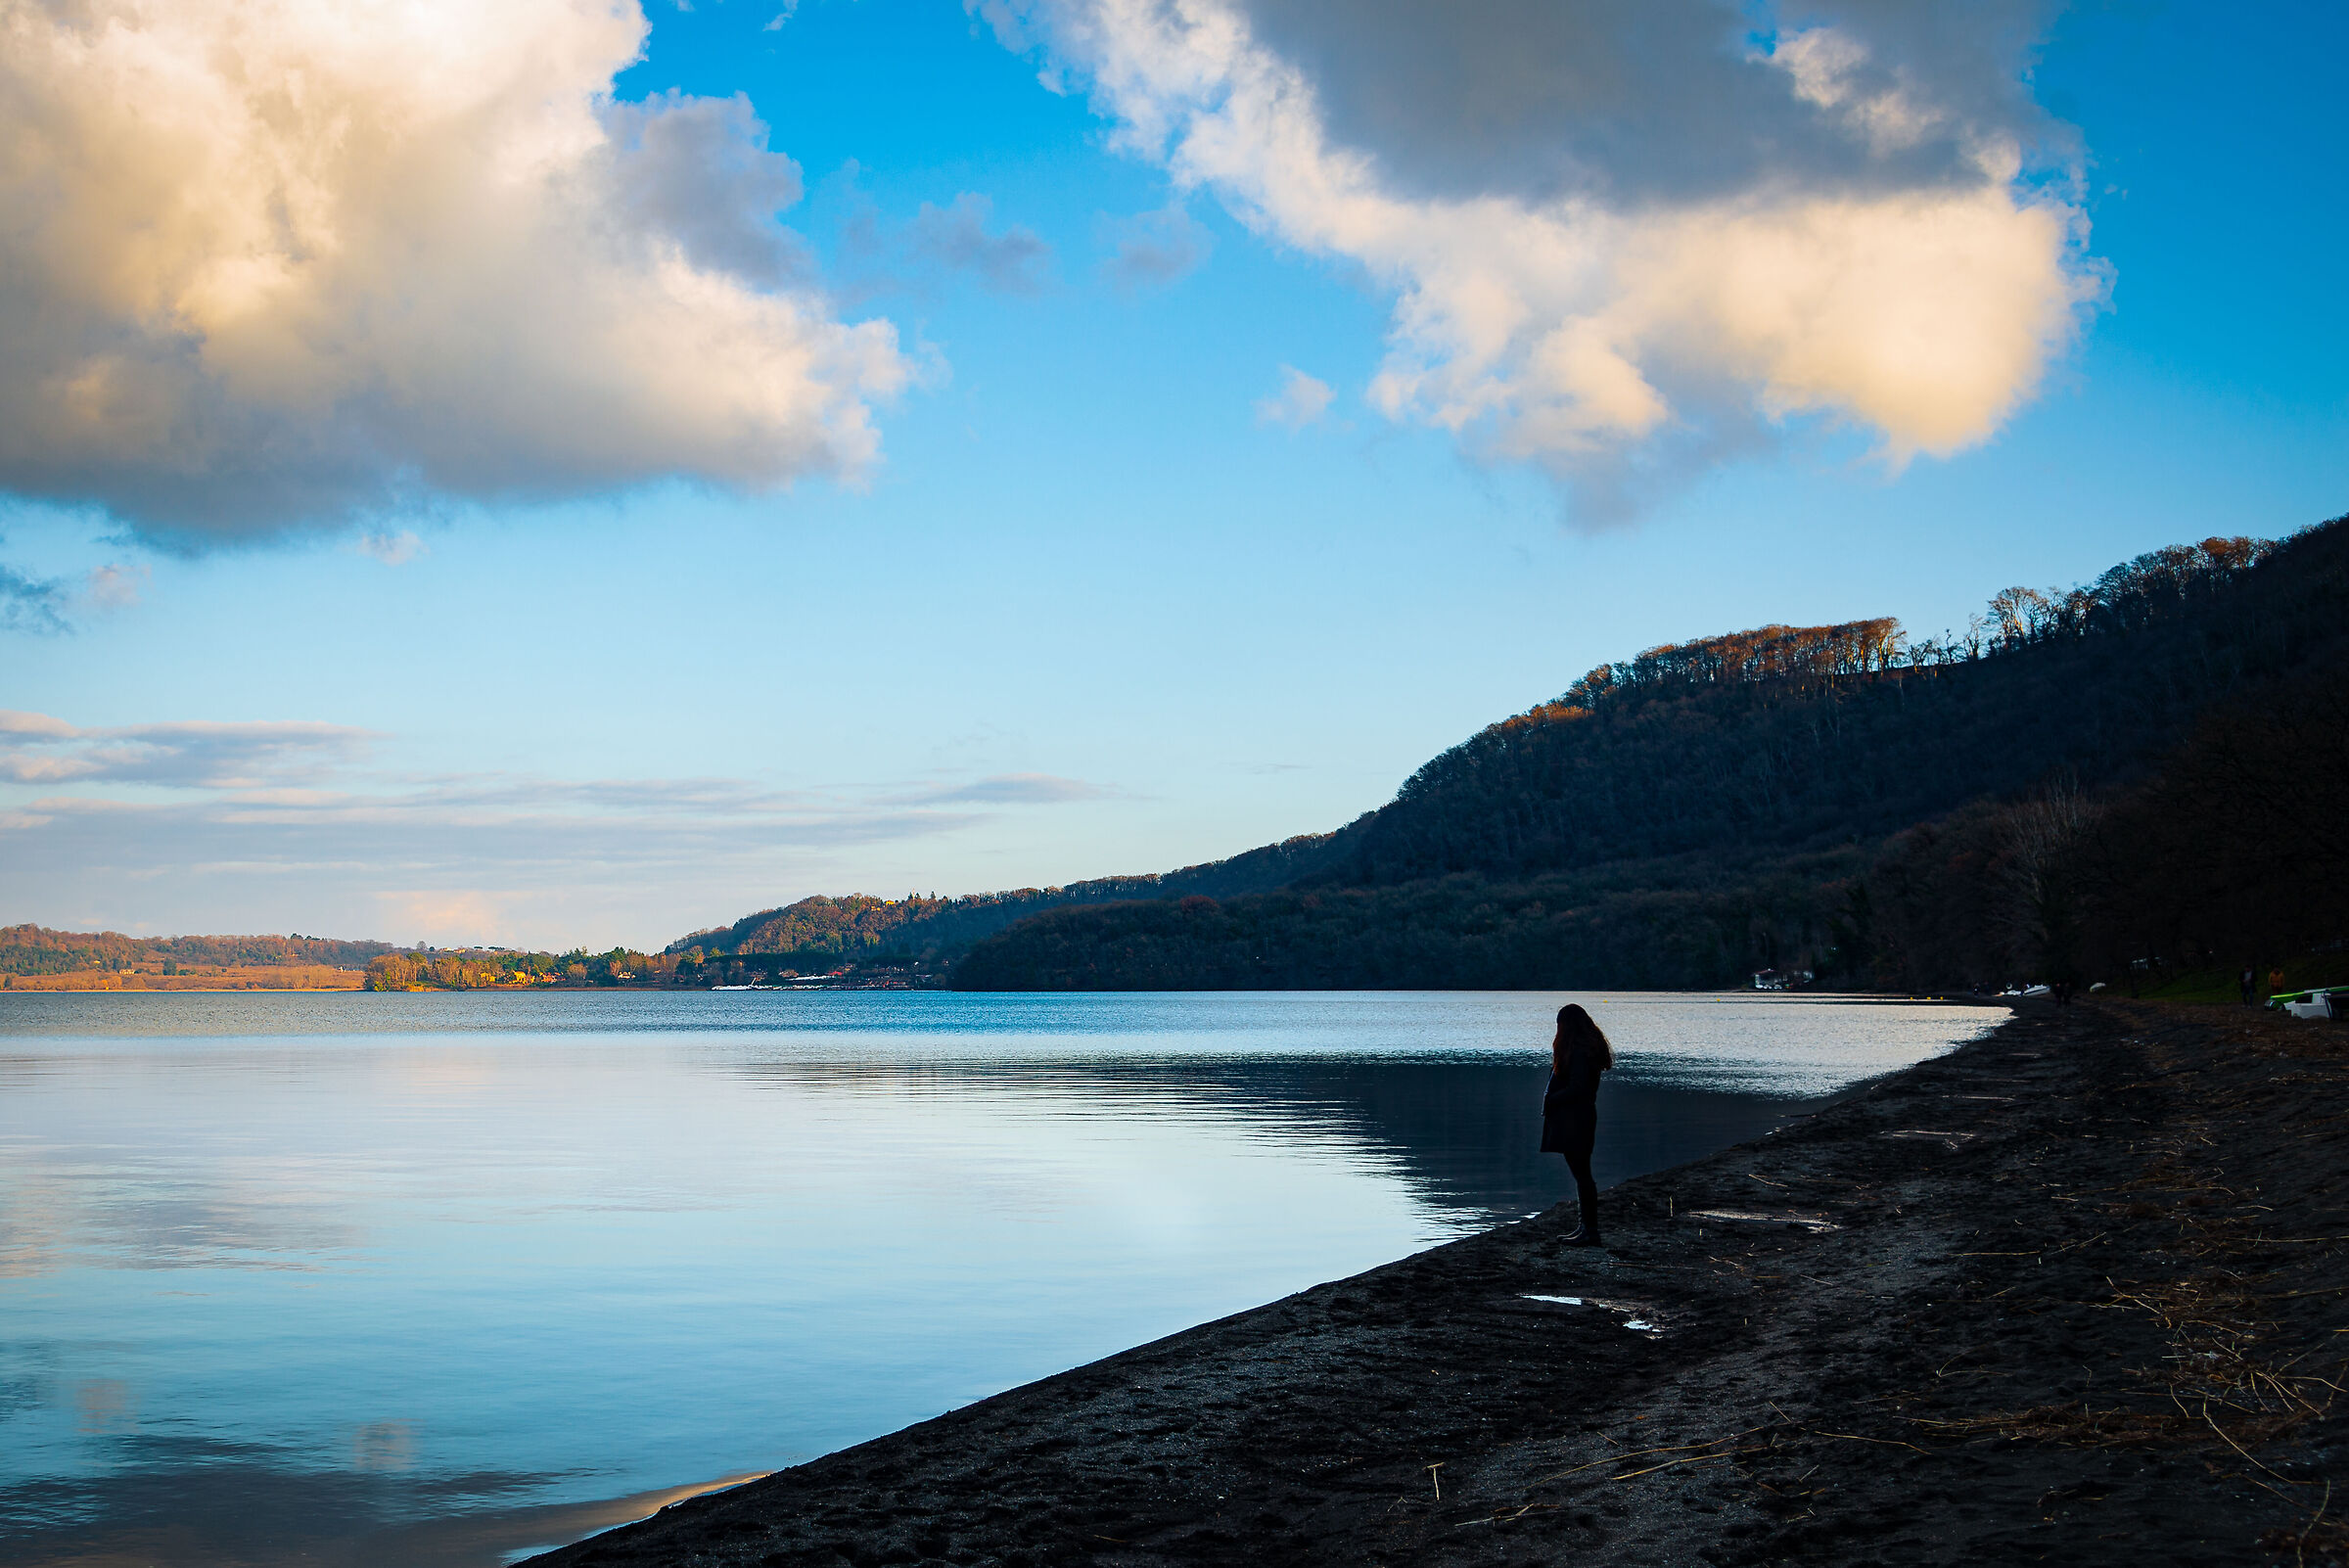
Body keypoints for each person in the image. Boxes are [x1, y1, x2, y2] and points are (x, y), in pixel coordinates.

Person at [1541, 1003, 1613, 1247]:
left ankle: (1590, 1231)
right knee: (1582, 1174)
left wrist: (1552, 1099)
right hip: (1578, 1118)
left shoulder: (1581, 1053)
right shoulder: (1583, 1050)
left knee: (1583, 1175)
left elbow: (1579, 1089)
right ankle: (1585, 1228)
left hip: (1577, 1120)